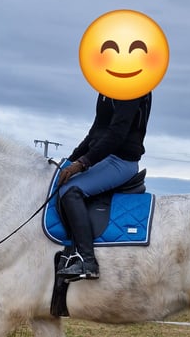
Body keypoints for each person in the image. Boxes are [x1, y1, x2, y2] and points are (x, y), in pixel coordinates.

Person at [56, 91, 152, 280]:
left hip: (121, 161)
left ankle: (87, 260)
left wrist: (83, 163)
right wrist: (68, 161)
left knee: (70, 191)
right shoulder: (106, 90)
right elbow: (94, 133)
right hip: (103, 158)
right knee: (57, 183)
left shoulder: (132, 90)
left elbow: (117, 134)